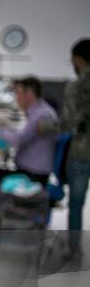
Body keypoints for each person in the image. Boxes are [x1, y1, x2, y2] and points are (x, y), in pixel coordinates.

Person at [0, 76, 58, 186]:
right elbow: (25, 133)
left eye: (18, 93)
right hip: (29, 170)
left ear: (29, 93)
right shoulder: (38, 111)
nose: (16, 97)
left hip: (33, 174)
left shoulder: (42, 114)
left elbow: (19, 139)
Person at [60, 38, 90, 255]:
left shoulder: (76, 87)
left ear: (78, 60)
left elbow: (68, 123)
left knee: (76, 204)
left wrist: (45, 126)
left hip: (81, 151)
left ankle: (73, 249)